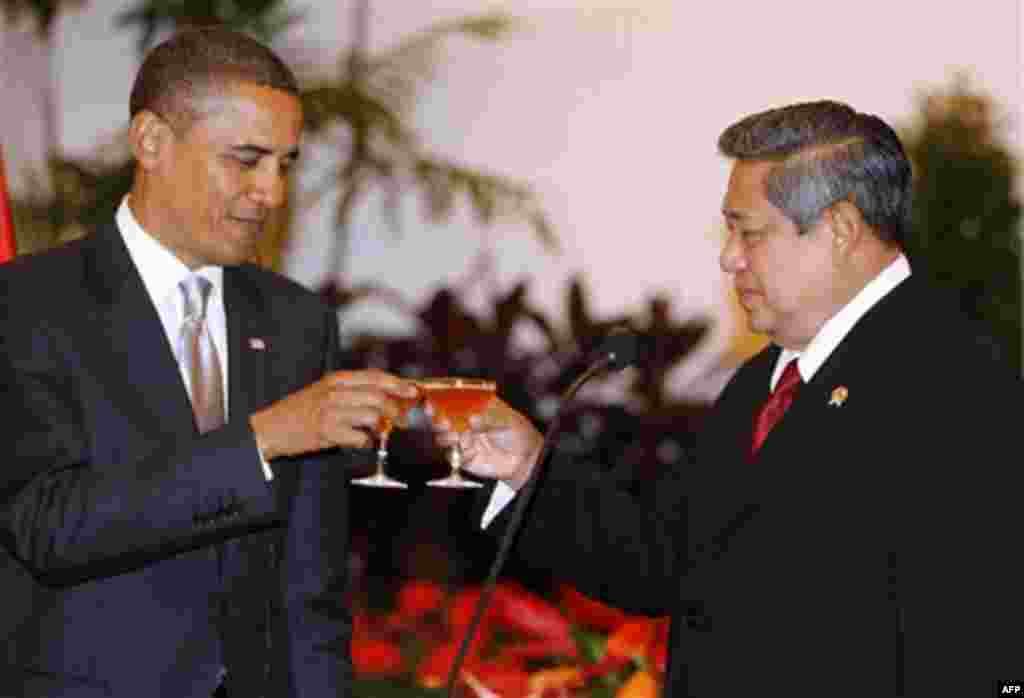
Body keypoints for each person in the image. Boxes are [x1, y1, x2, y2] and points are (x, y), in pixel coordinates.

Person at [440, 100, 1023, 695]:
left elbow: (975, 644)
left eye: (750, 232)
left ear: (841, 230)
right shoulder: (763, 383)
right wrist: (526, 466)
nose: (729, 257)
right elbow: (661, 562)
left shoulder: (952, 380)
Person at [0, 27, 417, 698]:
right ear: (151, 142)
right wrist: (262, 439)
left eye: (285, 164)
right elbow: (50, 524)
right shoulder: (28, 304)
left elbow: (309, 589)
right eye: (245, 159)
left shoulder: (297, 322)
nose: (272, 192)